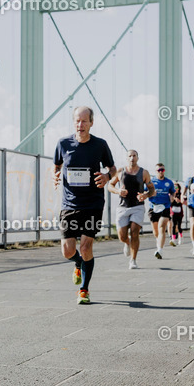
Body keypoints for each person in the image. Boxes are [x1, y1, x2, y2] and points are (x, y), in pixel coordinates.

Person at [55, 106, 116, 300]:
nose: (80, 125)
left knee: (86, 247)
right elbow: (56, 165)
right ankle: (78, 263)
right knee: (67, 251)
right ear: (74, 122)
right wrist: (55, 175)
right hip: (69, 204)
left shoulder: (100, 145)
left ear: (91, 123)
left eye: (84, 121)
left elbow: (113, 168)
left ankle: (84, 290)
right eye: (77, 121)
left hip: (93, 203)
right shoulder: (63, 143)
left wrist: (107, 177)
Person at [106, 150, 151, 269]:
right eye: (130, 156)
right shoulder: (120, 171)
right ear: (127, 158)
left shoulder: (144, 172)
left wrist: (145, 195)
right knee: (122, 236)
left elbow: (152, 190)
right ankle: (127, 243)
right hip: (123, 207)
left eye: (134, 155)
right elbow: (110, 186)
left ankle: (133, 260)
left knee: (135, 232)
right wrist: (118, 191)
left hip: (138, 207)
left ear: (138, 157)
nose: (132, 158)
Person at [147, 163, 176, 260]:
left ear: (164, 171)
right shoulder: (151, 182)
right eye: (158, 170)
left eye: (162, 170)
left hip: (165, 206)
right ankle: (158, 242)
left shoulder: (169, 182)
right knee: (156, 232)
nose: (160, 171)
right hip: (154, 207)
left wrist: (172, 196)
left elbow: (173, 191)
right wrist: (150, 194)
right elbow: (144, 192)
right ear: (155, 171)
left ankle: (160, 250)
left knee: (162, 228)